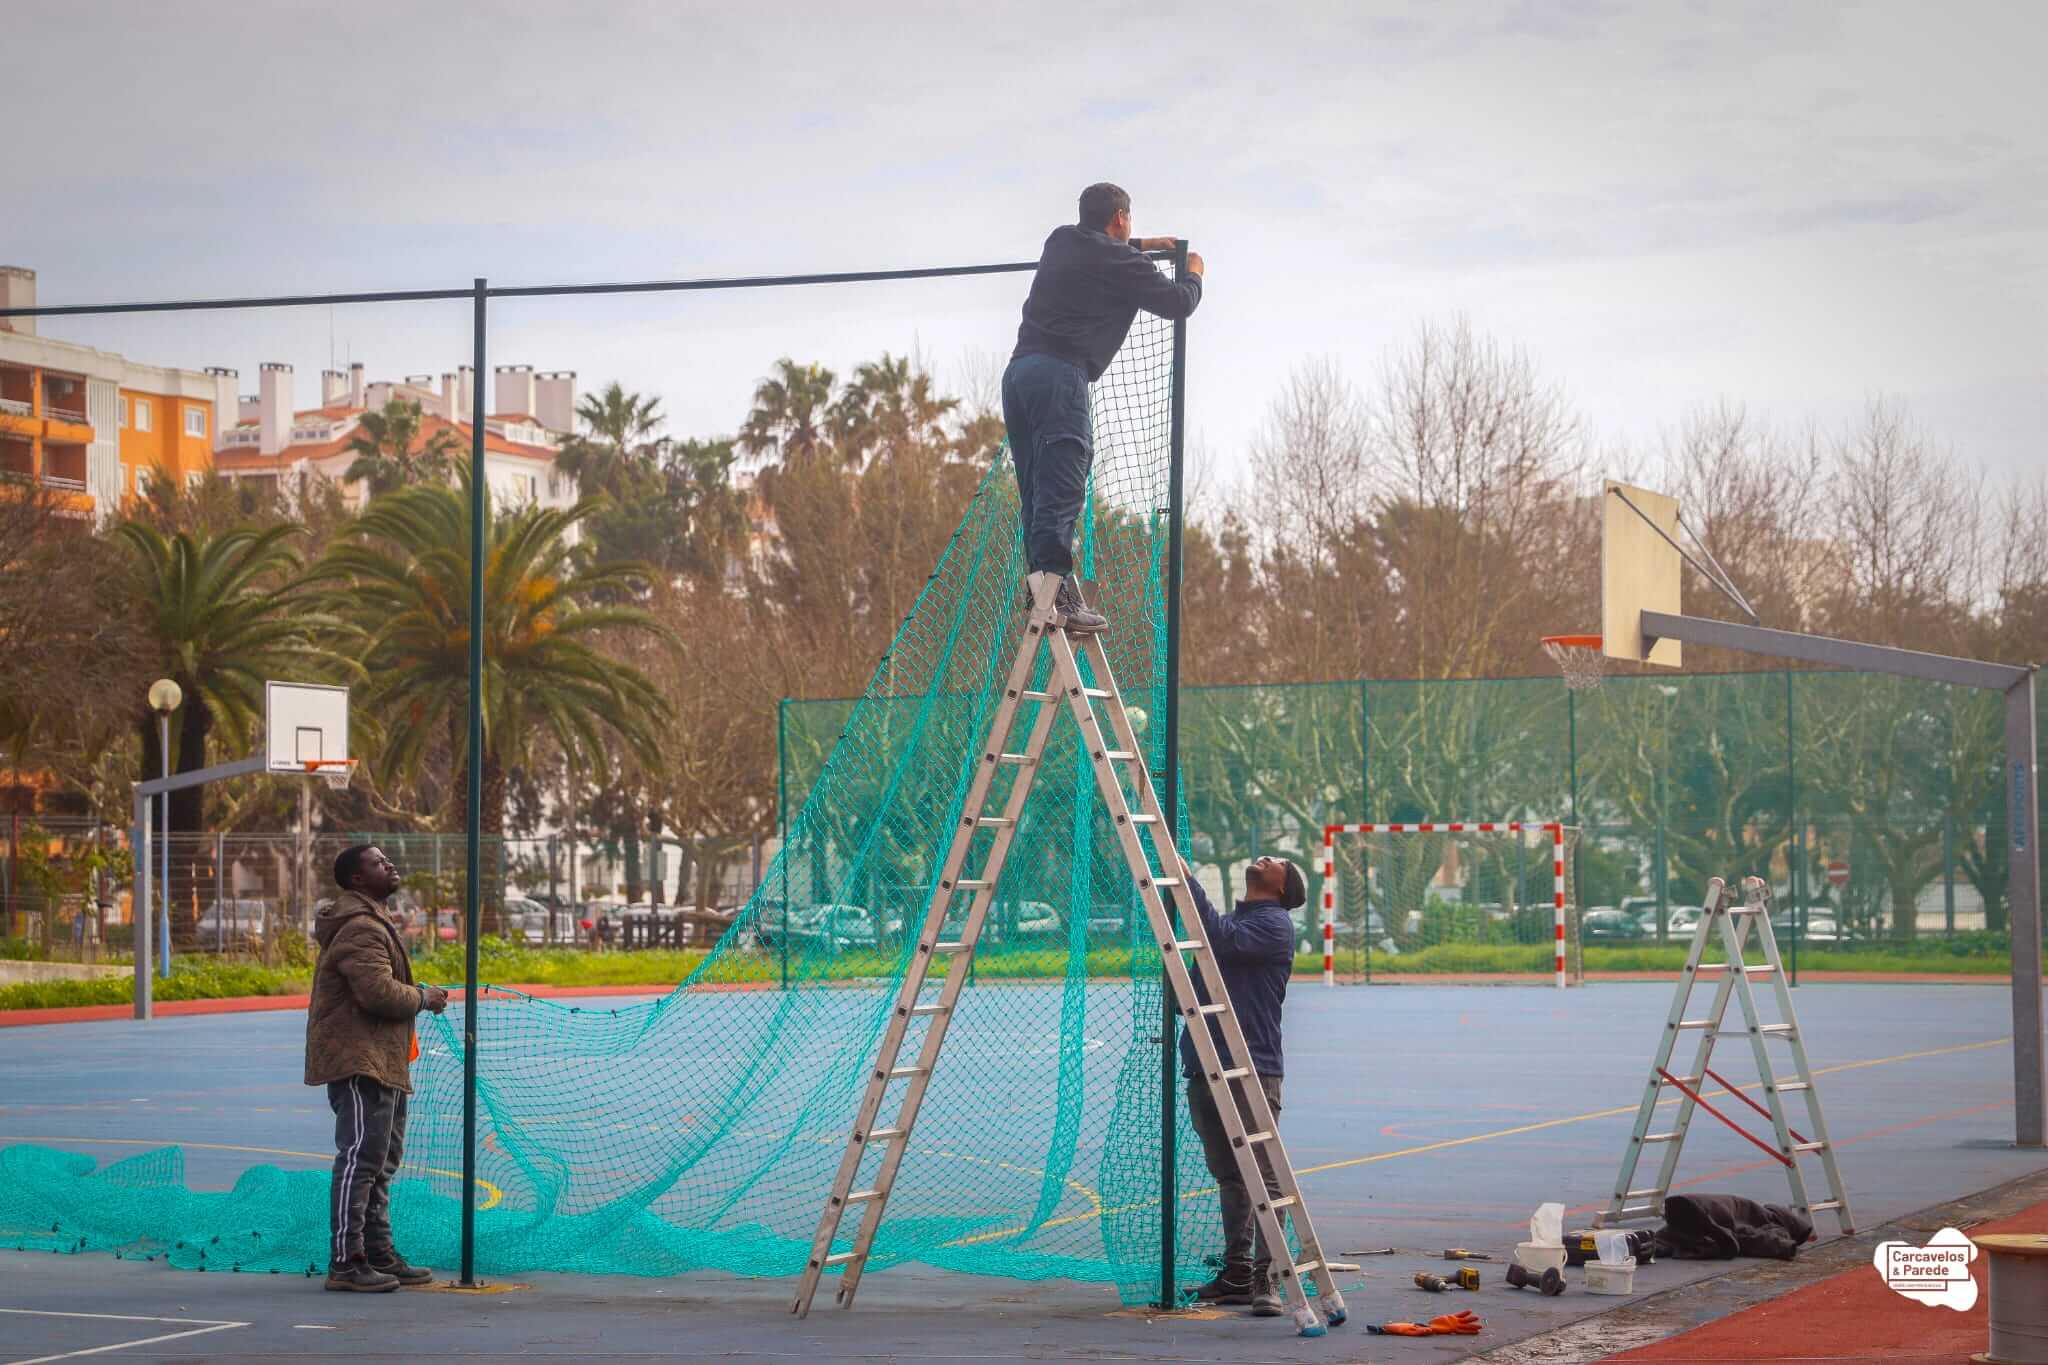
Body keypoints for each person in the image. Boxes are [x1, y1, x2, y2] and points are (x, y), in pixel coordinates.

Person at [1005, 182, 1204, 632]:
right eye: (1129, 221)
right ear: (1119, 217)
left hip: (1018, 376)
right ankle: (1057, 597)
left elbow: (1095, 250)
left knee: (1036, 491)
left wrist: (1141, 244)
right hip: (1060, 376)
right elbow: (1177, 303)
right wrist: (1194, 272)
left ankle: (1040, 587)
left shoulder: (1060, 241)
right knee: (1061, 484)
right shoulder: (1122, 262)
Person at [305, 844, 450, 1292]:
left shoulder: (373, 922)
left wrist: (416, 993)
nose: (389, 865)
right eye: (376, 862)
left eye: (387, 859)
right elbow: (378, 993)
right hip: (359, 1059)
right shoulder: (361, 928)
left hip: (382, 1057)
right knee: (360, 1158)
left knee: (381, 1160)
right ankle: (346, 1261)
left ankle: (379, 1252)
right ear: (355, 880)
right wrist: (423, 998)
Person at [1178, 854, 1306, 1317]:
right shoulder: (1235, 922)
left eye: (1282, 862)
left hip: (1251, 1067)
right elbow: (1192, 988)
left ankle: (1267, 1277)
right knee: (1231, 1176)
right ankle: (1235, 1273)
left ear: (1282, 887)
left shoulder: (1274, 924)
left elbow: (1221, 940)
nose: (1270, 857)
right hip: (1205, 1064)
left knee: (1265, 1179)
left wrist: (1188, 883)